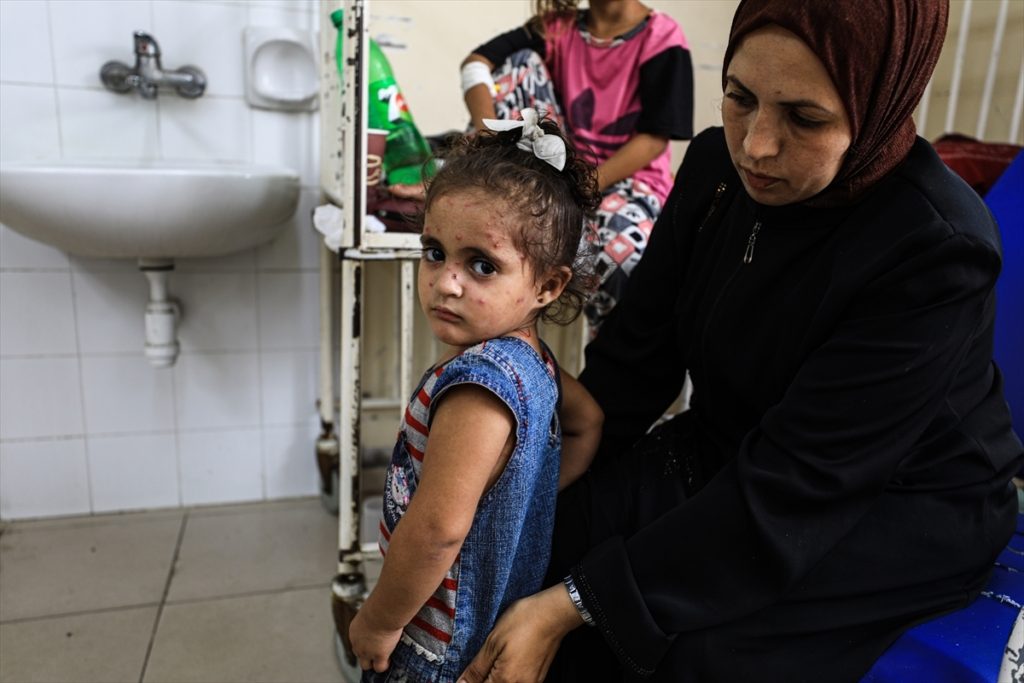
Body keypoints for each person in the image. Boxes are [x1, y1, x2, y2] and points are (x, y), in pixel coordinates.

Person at [457, 1, 1024, 682]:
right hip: (729, 450)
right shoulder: (715, 172)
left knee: (695, 657)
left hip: (892, 503)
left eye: (804, 118)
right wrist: (531, 472)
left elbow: (799, 485)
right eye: (740, 97)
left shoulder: (934, 248)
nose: (756, 145)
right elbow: (634, 362)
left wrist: (571, 605)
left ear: (879, 102)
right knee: (531, 549)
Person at [348, 109, 604, 682]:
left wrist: (380, 621)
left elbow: (437, 531)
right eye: (435, 252)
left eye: (482, 265)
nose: (446, 282)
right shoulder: (539, 363)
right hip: (492, 622)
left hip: (432, 644)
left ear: (548, 285)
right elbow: (588, 422)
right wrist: (524, 497)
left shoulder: (478, 391)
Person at [460, 0, 694, 329]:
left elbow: (654, 139)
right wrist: (488, 134)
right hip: (562, 170)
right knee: (519, 63)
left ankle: (611, 350)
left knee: (622, 262)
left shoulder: (661, 37)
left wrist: (581, 185)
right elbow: (476, 64)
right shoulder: (558, 28)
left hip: (627, 182)